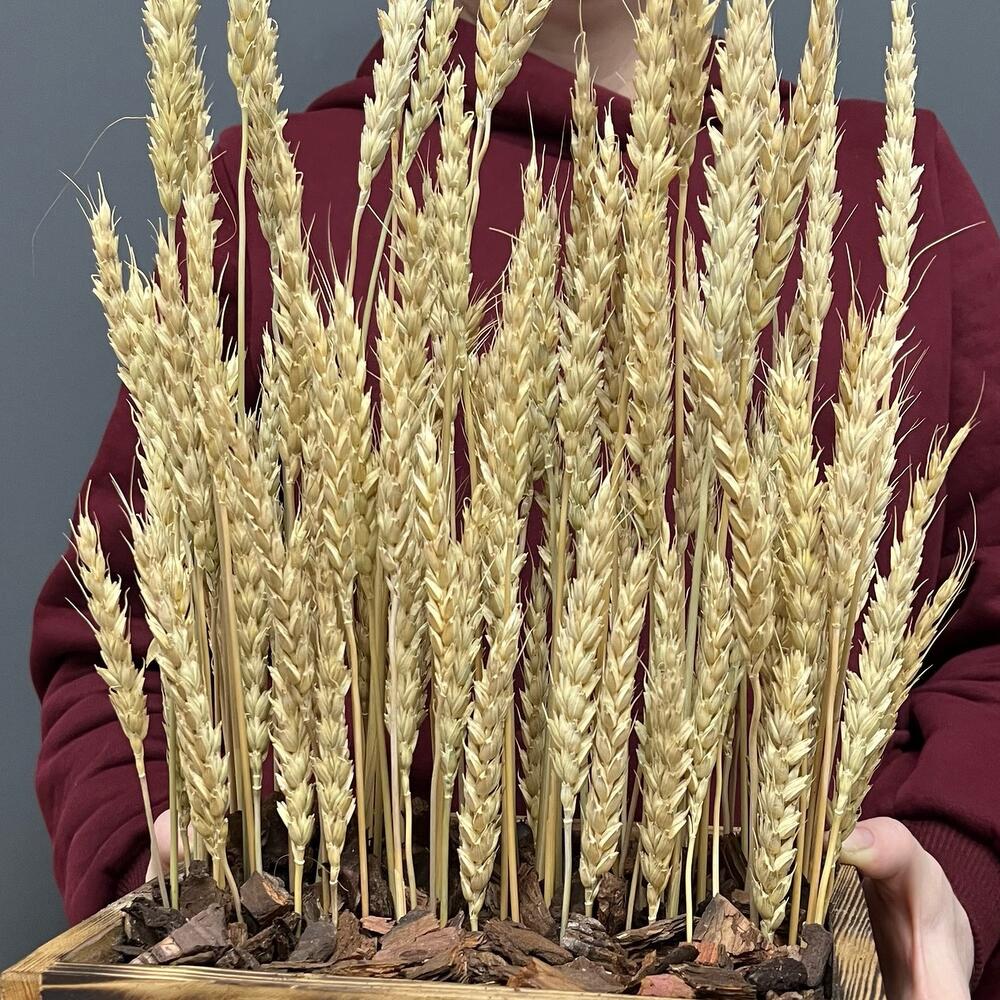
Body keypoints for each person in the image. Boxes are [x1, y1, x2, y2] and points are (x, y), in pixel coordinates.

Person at [30, 2, 999, 996]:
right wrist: (160, 874)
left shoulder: (890, 189)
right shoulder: (274, 190)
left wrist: (950, 877)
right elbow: (117, 626)